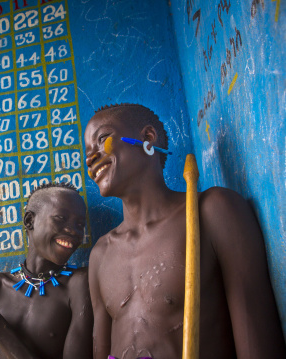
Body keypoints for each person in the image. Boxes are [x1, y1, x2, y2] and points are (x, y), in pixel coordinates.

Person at [84, 103, 286, 359]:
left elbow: (258, 345)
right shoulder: (101, 254)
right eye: (88, 151)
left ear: (147, 138)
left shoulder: (212, 212)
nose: (90, 158)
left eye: (102, 139)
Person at [0, 182, 93, 359]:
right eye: (61, 218)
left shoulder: (79, 285)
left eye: (79, 224)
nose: (73, 230)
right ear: (29, 221)